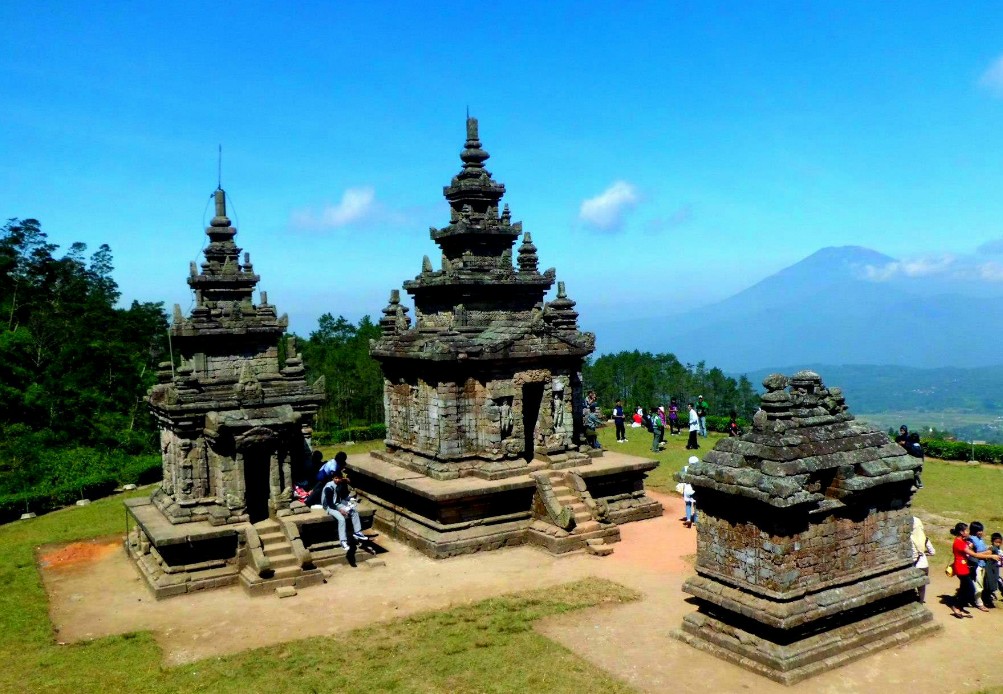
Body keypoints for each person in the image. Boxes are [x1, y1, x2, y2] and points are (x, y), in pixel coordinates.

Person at [949, 522, 998, 617]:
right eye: (966, 530)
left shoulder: (961, 540)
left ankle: (959, 606)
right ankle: (957, 606)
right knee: (970, 589)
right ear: (961, 532)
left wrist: (969, 546)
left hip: (962, 567)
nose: (968, 532)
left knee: (964, 587)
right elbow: (975, 555)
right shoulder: (960, 543)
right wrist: (991, 555)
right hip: (961, 568)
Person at [321, 468, 367, 550]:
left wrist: (350, 499)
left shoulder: (340, 484)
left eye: (339, 478)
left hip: (338, 504)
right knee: (341, 519)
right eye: (336, 478)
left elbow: (342, 496)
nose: (338, 480)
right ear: (333, 478)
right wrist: (340, 510)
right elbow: (330, 504)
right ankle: (343, 541)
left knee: (354, 512)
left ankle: (357, 532)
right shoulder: (329, 488)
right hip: (329, 507)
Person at [910, 516, 935, 603]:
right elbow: (933, 552)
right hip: (924, 565)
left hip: (914, 566)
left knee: (911, 585)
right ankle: (920, 602)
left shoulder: (910, 539)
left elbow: (913, 556)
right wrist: (924, 554)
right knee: (922, 587)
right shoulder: (925, 538)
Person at [969, 521, 992, 611]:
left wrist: (988, 548)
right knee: (978, 585)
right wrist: (987, 553)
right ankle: (979, 603)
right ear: (974, 530)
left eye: (981, 530)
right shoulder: (971, 540)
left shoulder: (980, 539)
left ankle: (975, 599)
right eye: (979, 530)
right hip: (976, 565)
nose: (981, 532)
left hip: (983, 564)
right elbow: (973, 554)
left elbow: (981, 549)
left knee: (980, 584)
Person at [985, 532, 1003, 608]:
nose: (998, 544)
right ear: (992, 541)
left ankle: (989, 598)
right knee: (991, 584)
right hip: (990, 568)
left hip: (995, 569)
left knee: (997, 581)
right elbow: (986, 555)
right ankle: (987, 600)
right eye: (996, 542)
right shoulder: (992, 548)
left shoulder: (998, 549)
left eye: (999, 542)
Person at [683, 456, 699, 528]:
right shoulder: (698, 469)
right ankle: (695, 521)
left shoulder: (685, 468)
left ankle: (689, 519)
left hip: (687, 489)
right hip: (694, 490)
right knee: (696, 505)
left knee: (688, 505)